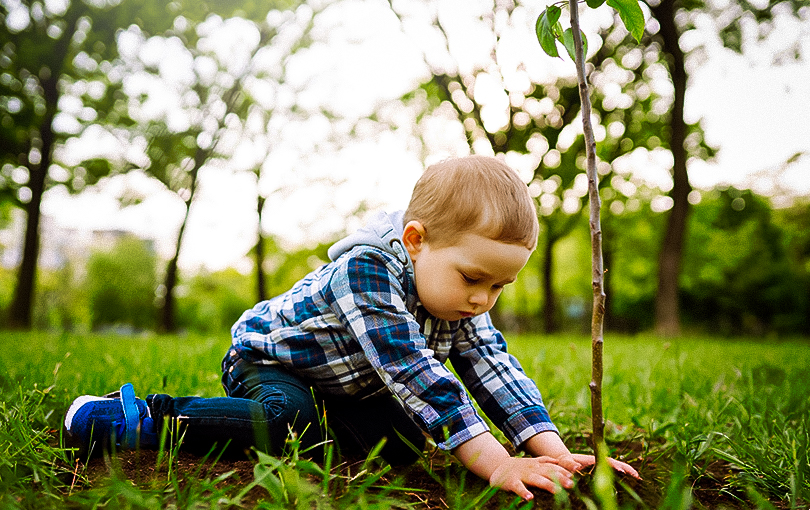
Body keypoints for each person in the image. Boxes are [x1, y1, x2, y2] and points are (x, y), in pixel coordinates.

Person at [65, 155, 638, 500]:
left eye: (498, 287)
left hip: (347, 388)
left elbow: (495, 370)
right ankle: (137, 418)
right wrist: (496, 461)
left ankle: (313, 437)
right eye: (472, 278)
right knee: (283, 418)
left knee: (407, 438)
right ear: (417, 241)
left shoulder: (463, 303)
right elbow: (412, 371)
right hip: (274, 362)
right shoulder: (366, 272)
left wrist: (551, 451)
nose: (482, 298)